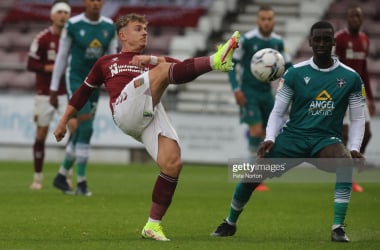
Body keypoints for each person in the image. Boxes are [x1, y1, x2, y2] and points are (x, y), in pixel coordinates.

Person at [52, 13, 240, 241]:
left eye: (145, 29)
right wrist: (63, 122)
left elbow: (180, 69)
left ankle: (152, 225)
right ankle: (215, 61)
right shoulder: (106, 62)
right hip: (124, 109)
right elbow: (82, 93)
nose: (144, 33)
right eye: (138, 29)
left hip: (149, 111)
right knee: (162, 71)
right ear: (123, 35)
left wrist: (150, 59)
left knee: (172, 164)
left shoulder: (153, 61)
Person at [211, 21, 365, 243]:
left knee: (345, 163)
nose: (321, 43)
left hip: (326, 140)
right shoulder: (294, 73)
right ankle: (230, 222)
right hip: (293, 138)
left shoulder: (351, 77)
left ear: (333, 42)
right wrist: (270, 138)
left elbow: (358, 117)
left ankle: (338, 228)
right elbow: (277, 112)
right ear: (310, 42)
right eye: (317, 39)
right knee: (251, 175)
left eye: (326, 39)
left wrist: (354, 148)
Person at [50, 0, 118, 196]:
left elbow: (112, 58)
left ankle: (62, 175)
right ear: (85, 2)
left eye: (99, 0)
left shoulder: (108, 26)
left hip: (95, 84)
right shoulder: (73, 25)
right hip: (77, 81)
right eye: (91, 0)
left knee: (81, 129)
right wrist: (54, 88)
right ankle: (81, 182)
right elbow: (62, 57)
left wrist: (113, 86)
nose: (95, 3)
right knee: (86, 127)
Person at [228, 5, 292, 191]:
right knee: (256, 131)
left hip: (267, 94)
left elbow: (288, 65)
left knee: (268, 135)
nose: (266, 22)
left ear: (274, 21)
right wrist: (236, 90)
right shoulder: (247, 40)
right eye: (263, 19)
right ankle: (253, 177)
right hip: (249, 93)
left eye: (269, 19)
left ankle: (256, 175)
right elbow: (232, 63)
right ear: (257, 21)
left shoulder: (278, 42)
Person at [27, 0, 71, 190]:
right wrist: (50, 68)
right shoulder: (43, 38)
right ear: (53, 15)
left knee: (71, 132)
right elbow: (30, 64)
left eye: (66, 12)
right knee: (41, 134)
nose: (62, 15)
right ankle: (37, 177)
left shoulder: (73, 37)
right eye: (59, 12)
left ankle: (66, 175)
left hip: (65, 92)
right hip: (44, 93)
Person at [335, 5, 375, 193]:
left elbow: (364, 70)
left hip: (358, 93)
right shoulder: (339, 39)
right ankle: (345, 176)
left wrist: (371, 98)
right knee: (344, 135)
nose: (355, 19)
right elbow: (333, 66)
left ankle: (352, 163)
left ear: (362, 19)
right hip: (341, 93)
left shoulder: (365, 40)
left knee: (367, 134)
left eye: (358, 16)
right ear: (347, 18)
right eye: (351, 16)